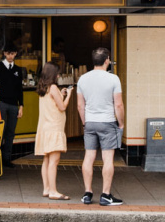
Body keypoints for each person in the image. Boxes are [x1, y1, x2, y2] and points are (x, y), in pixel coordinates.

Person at [77, 47, 124, 206]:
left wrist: (85, 122)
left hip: (90, 122)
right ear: (107, 60)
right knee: (107, 159)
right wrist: (121, 123)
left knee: (88, 157)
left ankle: (87, 193)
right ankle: (106, 195)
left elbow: (79, 105)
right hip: (108, 122)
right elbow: (118, 104)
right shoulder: (113, 79)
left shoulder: (83, 79)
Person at [35, 61, 72, 200]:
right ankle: (53, 191)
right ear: (53, 74)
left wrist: (61, 94)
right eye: (57, 72)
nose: (58, 75)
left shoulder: (43, 88)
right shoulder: (53, 87)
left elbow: (52, 103)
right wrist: (68, 95)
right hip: (54, 128)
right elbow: (62, 107)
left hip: (44, 127)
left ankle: (46, 189)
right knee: (54, 162)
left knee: (46, 160)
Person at [0, 44, 24, 168]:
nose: (10, 56)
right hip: (2, 103)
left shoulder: (18, 69)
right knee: (0, 131)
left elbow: (19, 89)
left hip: (13, 105)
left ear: (15, 54)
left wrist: (21, 105)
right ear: (4, 53)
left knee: (10, 132)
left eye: (13, 53)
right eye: (8, 53)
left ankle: (6, 158)